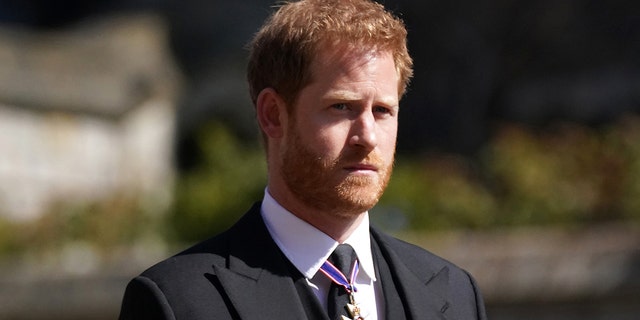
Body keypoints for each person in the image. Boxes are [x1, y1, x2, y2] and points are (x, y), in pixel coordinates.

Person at [119, 0, 487, 319]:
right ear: (273, 115)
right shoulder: (177, 301)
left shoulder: (455, 295)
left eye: (382, 111)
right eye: (341, 107)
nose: (367, 137)